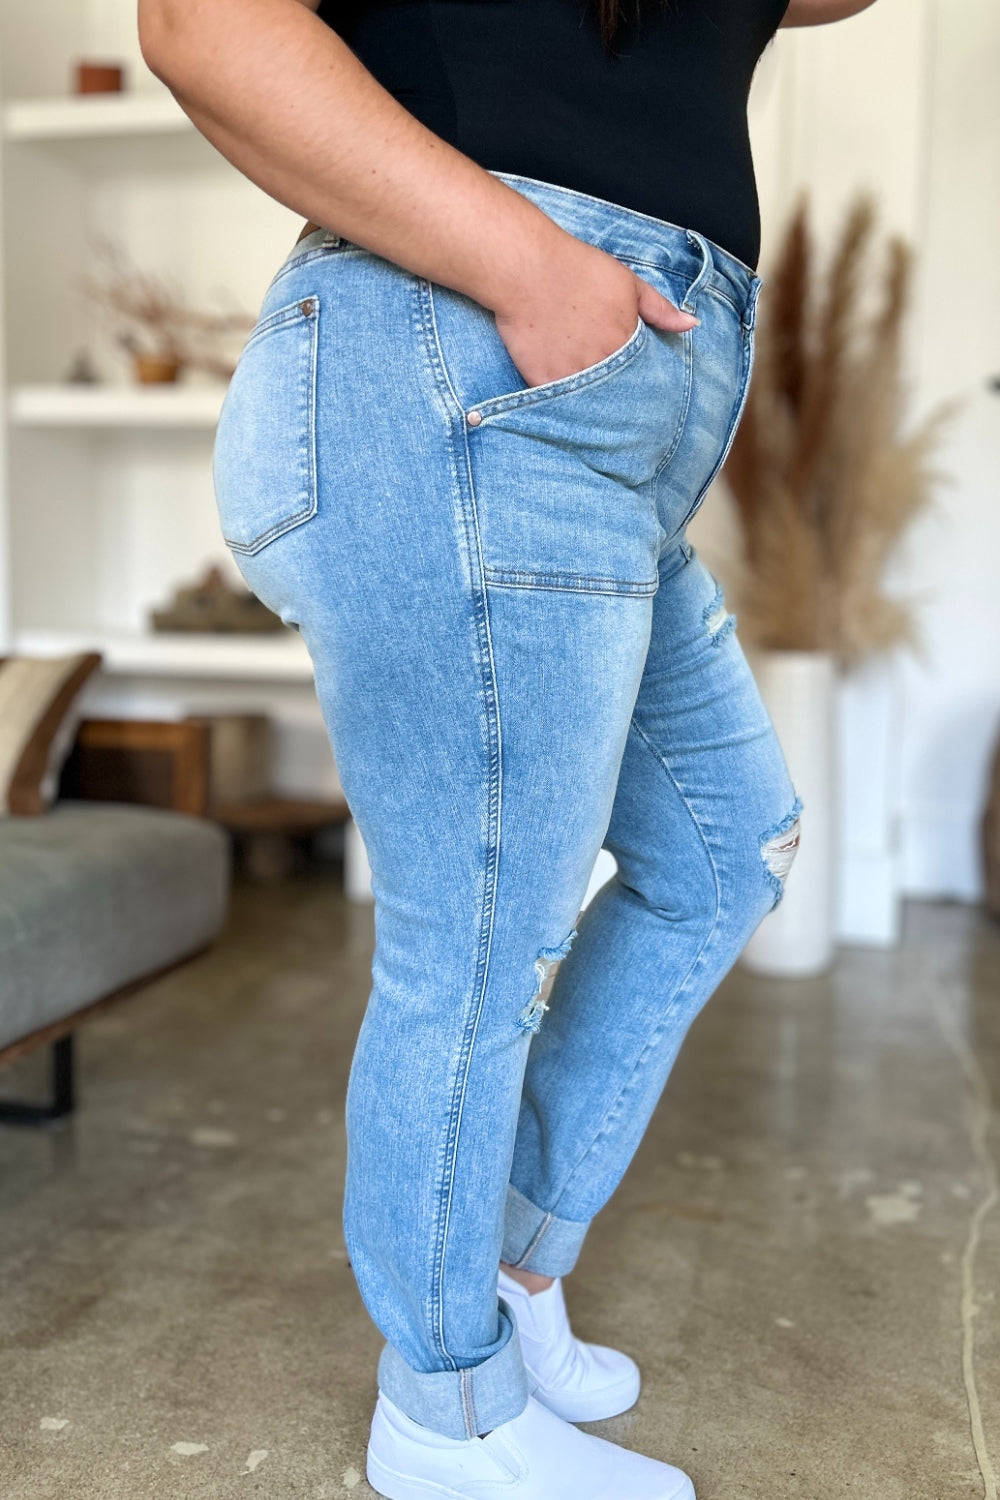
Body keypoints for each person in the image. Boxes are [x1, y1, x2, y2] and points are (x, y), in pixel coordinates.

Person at [139, 0, 880, 1494]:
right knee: (480, 940)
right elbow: (202, 24)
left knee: (723, 846)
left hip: (597, 399)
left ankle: (512, 1283)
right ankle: (443, 1411)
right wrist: (528, 267)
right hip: (463, 364)